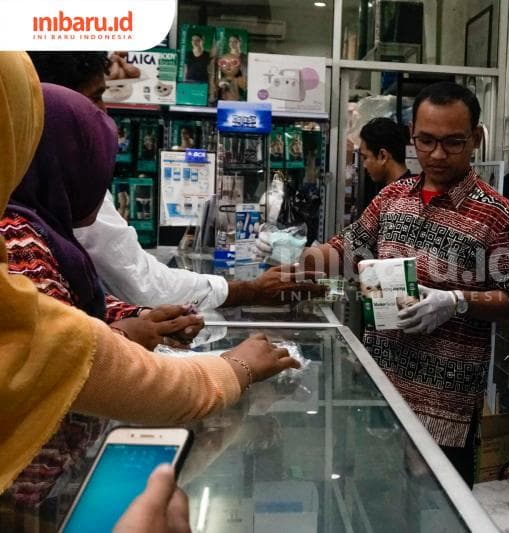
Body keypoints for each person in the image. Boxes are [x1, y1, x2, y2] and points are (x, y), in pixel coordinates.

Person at [0, 52, 301, 525]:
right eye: (99, 98)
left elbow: (66, 321)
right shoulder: (18, 240)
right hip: (26, 492)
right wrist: (235, 367)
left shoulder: (33, 227)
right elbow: (77, 360)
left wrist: (124, 319)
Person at [259, 82, 509, 487]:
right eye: (426, 141)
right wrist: (293, 259)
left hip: (445, 407)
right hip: (379, 390)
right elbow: (346, 250)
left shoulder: (498, 215)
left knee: (439, 512)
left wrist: (456, 301)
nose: (437, 154)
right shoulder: (392, 198)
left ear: (474, 139)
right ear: (411, 137)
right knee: (376, 505)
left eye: (453, 142)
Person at [28, 51, 326, 310]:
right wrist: (248, 291)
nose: (103, 112)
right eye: (94, 97)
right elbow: (138, 283)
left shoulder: (37, 186)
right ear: (54, 104)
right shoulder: (22, 234)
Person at [1, 84, 203, 351]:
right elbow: (49, 357)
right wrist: (122, 336)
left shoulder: (42, 228)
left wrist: (142, 318)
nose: (101, 189)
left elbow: (71, 306)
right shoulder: (18, 240)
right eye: (96, 170)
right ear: (65, 170)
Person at [358, 117, 410, 186]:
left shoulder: (397, 194)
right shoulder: (413, 188)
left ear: (383, 156)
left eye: (365, 157)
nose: (364, 165)